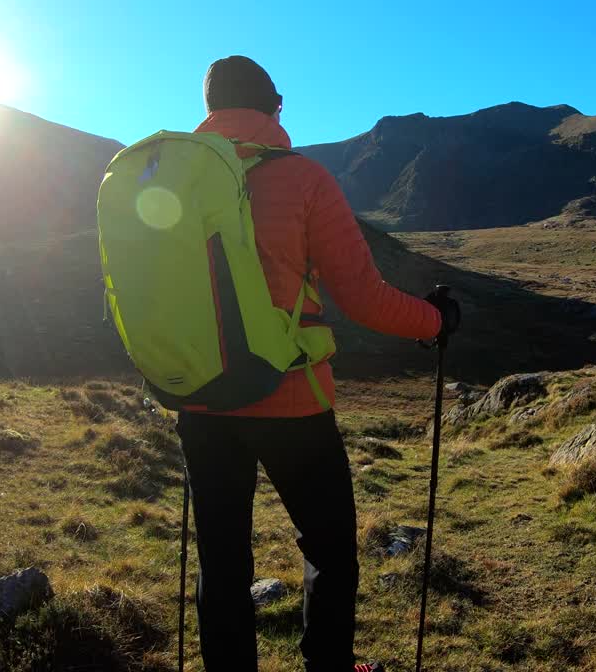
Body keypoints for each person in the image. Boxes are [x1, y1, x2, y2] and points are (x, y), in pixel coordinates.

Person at [177, 55, 460, 672]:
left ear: (209, 110)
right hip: (290, 398)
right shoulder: (302, 179)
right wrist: (436, 321)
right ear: (275, 107)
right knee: (330, 549)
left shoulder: (174, 182)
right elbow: (363, 298)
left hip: (197, 396)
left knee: (222, 560)